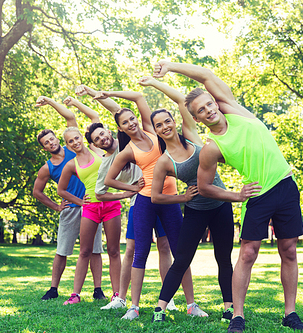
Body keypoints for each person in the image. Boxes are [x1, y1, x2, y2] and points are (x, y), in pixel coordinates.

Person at [154, 60, 303, 332]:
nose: (208, 110)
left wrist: (170, 67)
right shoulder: (212, 148)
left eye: (208, 104)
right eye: (200, 111)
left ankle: (290, 313)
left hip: (285, 186)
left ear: (214, 102)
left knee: (289, 250)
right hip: (258, 195)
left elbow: (205, 75)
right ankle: (237, 316)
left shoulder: (235, 109)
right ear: (197, 119)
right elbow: (204, 187)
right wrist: (237, 196)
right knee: (248, 252)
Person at [100, 89, 204, 320]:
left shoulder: (155, 132)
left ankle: (191, 304)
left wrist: (107, 93)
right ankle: (133, 307)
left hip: (171, 201)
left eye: (132, 119)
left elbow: (138, 97)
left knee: (180, 253)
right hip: (146, 202)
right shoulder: (128, 150)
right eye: (125, 123)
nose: (131, 124)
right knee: (140, 253)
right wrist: (132, 189)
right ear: (121, 128)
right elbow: (108, 180)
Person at [138, 76, 235, 323]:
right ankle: (159, 308)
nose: (165, 126)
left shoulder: (191, 135)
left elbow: (183, 100)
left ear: (173, 121)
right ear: (156, 130)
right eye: (158, 125)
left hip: (221, 204)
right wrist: (182, 197)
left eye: (167, 121)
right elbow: (156, 197)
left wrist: (153, 84)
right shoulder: (163, 162)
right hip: (195, 210)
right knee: (181, 259)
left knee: (223, 258)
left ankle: (229, 307)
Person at [75, 85, 178, 311]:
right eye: (97, 139)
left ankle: (168, 298)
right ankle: (121, 298)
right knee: (131, 250)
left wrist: (96, 93)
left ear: (110, 131)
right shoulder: (110, 161)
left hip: (163, 196)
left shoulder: (129, 138)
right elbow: (101, 191)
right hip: (140, 204)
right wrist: (127, 191)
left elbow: (118, 111)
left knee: (164, 246)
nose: (102, 139)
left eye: (103, 133)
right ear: (95, 145)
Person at [56, 96, 129, 305]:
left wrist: (77, 102)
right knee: (85, 251)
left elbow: (95, 116)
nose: (75, 143)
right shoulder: (71, 164)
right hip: (90, 208)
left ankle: (117, 295)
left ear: (82, 138)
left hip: (111, 205)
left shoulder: (98, 149)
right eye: (70, 142)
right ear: (68, 146)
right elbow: (61, 190)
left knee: (114, 250)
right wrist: (79, 202)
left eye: (77, 138)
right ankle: (75, 295)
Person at [32, 96, 104, 301]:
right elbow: (37, 192)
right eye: (46, 143)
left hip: (92, 205)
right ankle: (54, 289)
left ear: (57, 139)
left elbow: (70, 116)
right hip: (71, 209)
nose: (50, 143)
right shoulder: (48, 167)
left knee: (94, 250)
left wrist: (49, 102)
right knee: (62, 250)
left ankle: (97, 289)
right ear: (44, 148)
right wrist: (56, 206)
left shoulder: (74, 148)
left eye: (52, 139)